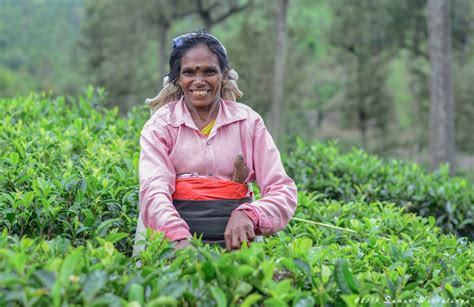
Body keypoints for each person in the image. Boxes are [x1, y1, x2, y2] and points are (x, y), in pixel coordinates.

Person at [135, 31, 297, 252]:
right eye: (189, 73)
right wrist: (176, 236)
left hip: (238, 245)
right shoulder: (161, 126)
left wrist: (250, 214)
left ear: (224, 76)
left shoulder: (248, 123)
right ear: (178, 79)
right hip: (170, 244)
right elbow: (153, 192)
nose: (199, 81)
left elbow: (282, 190)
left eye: (209, 71)